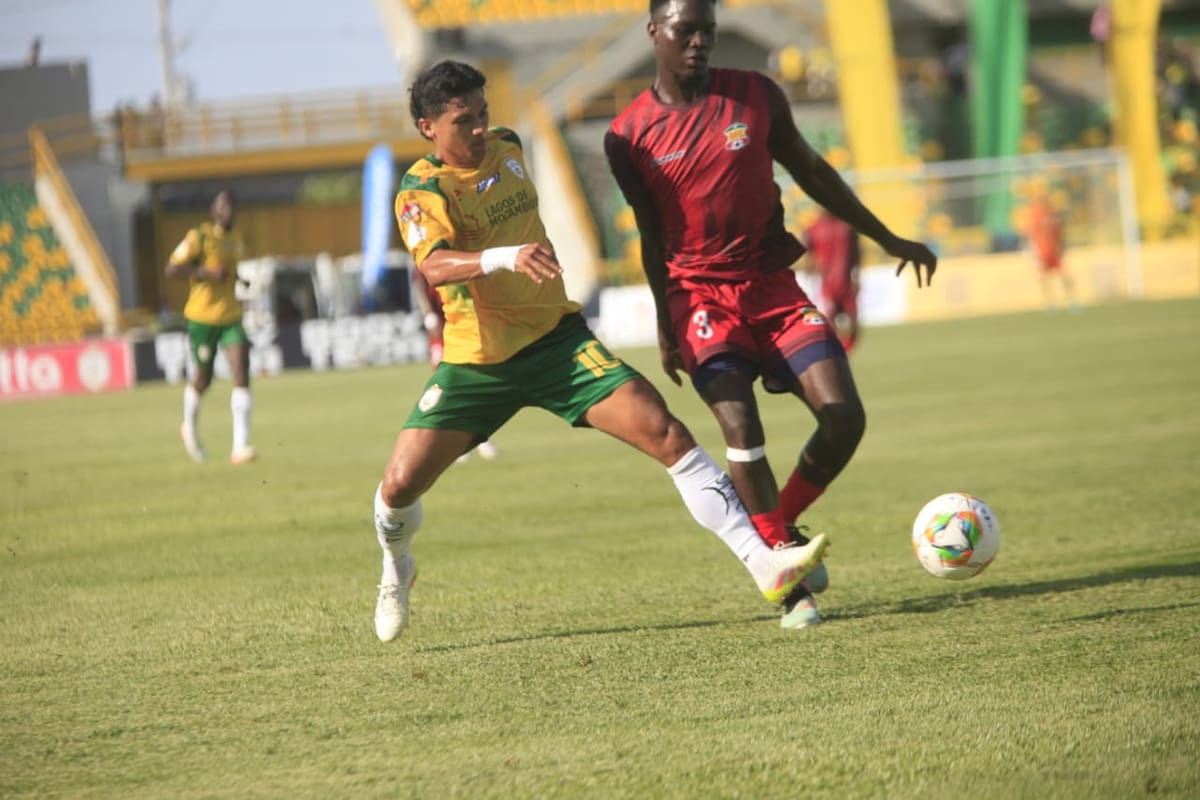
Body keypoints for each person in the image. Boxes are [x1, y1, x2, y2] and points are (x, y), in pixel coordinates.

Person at [370, 59, 829, 643]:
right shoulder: (422, 190)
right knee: (398, 487)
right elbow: (433, 265)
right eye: (464, 121)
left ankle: (767, 566)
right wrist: (506, 257)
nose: (482, 128)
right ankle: (396, 567)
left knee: (668, 434)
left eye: (484, 113)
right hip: (477, 363)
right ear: (427, 127)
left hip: (558, 344)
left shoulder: (510, 146)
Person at [604, 0, 936, 628]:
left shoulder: (754, 95)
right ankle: (787, 579)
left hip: (772, 289)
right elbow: (651, 237)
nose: (699, 42)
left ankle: (778, 523)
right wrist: (665, 324)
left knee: (844, 419)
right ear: (655, 34)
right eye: (685, 31)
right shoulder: (628, 135)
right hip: (698, 298)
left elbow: (810, 170)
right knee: (740, 426)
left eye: (708, 31)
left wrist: (891, 239)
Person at [165, 189, 257, 465]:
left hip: (230, 316)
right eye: (223, 205)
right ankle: (188, 424)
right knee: (203, 379)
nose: (228, 209)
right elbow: (172, 268)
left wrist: (240, 281)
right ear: (214, 210)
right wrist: (205, 273)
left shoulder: (237, 238)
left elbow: (231, 269)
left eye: (232, 204)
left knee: (241, 372)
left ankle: (239, 447)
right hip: (202, 317)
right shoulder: (199, 237)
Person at [410, 265, 499, 461]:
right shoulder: (424, 257)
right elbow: (419, 286)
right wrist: (428, 316)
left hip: (462, 327)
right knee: (443, 387)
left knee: (472, 383)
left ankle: (481, 439)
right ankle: (451, 442)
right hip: (440, 330)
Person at [805, 209, 861, 354]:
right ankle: (836, 354)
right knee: (828, 325)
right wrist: (810, 274)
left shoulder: (846, 226)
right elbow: (808, 253)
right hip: (827, 286)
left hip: (847, 283)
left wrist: (856, 275)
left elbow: (857, 252)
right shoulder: (813, 228)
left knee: (854, 325)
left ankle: (845, 351)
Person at [1025, 193, 1078, 312]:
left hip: (1055, 252)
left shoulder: (1054, 214)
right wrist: (1033, 250)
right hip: (1043, 252)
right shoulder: (1036, 215)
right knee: (1044, 278)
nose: (1044, 202)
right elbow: (1031, 234)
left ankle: (1071, 301)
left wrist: (1063, 246)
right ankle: (1049, 303)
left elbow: (1060, 233)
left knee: (1065, 275)